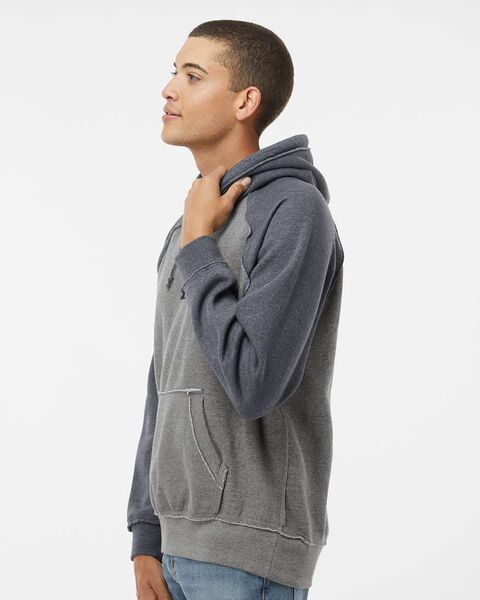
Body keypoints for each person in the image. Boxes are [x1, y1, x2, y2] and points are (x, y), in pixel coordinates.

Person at [127, 19, 344, 600]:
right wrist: (146, 531)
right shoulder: (192, 221)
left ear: (246, 101)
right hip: (176, 544)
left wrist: (200, 244)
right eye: (174, 72)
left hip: (249, 549)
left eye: (193, 76)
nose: (169, 89)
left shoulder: (293, 210)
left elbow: (254, 383)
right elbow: (164, 377)